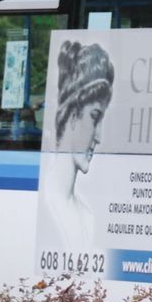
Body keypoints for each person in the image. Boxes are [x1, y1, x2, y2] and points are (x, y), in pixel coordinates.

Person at [51, 40, 115, 197]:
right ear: (73, 115)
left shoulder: (87, 216)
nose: (98, 138)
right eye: (94, 118)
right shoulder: (49, 204)